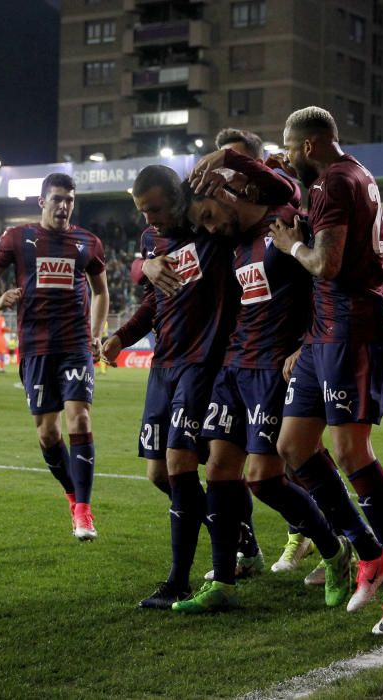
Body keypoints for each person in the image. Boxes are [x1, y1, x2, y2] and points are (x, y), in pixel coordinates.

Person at [269, 106, 383, 635]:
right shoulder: (349, 175)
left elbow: (326, 264)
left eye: (291, 150)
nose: (289, 158)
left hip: (352, 327)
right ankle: (368, 551)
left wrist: (289, 243)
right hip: (323, 332)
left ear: (311, 145)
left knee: (349, 450)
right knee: (293, 448)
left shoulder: (335, 184)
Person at [170, 171, 363, 614]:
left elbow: (324, 280)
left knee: (262, 479)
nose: (212, 227)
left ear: (221, 193)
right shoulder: (230, 244)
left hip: (274, 370)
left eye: (210, 216)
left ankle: (334, 552)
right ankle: (222, 582)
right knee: (219, 469)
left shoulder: (285, 222)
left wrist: (307, 344)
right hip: (234, 367)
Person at [103, 164, 239, 606]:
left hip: (203, 363)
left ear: (178, 199)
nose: (149, 219)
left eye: (156, 209)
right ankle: (239, 533)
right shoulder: (150, 242)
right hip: (163, 364)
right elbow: (152, 302)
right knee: (158, 473)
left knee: (181, 463)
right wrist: (122, 336)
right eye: (143, 211)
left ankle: (179, 580)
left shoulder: (211, 228)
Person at [0, 173, 109, 541]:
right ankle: (72, 495)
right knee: (48, 434)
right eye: (57, 199)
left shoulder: (87, 242)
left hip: (76, 345)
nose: (64, 205)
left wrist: (96, 335)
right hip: (35, 347)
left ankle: (84, 510)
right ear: (42, 201)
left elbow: (100, 291)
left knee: (78, 419)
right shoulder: (18, 238)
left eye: (69, 199)